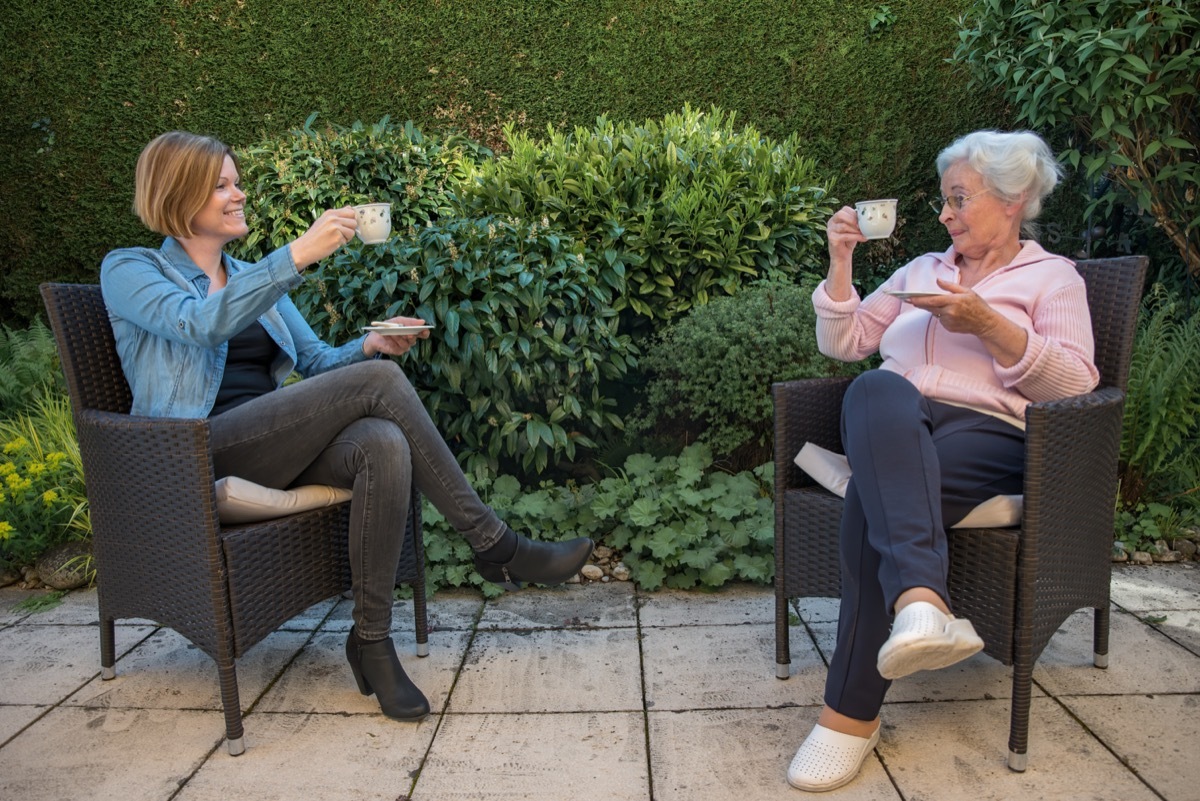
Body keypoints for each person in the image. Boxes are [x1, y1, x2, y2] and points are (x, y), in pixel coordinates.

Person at [100, 131, 594, 723]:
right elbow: (196, 325)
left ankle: (372, 641)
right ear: (179, 194)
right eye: (222, 185)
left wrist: (368, 345)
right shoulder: (131, 269)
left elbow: (315, 365)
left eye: (237, 181)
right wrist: (297, 256)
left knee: (380, 442)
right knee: (380, 387)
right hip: (195, 450)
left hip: (267, 444)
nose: (240, 194)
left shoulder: (253, 274)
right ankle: (496, 545)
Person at [787, 130, 1099, 792]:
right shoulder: (919, 271)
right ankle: (923, 600)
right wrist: (840, 259)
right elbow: (844, 345)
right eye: (942, 200)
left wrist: (988, 324)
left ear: (1012, 200)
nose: (945, 214)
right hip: (897, 427)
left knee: (873, 497)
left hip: (991, 436)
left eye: (959, 198)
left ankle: (847, 717)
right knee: (873, 385)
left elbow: (1076, 383)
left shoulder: (1052, 278)